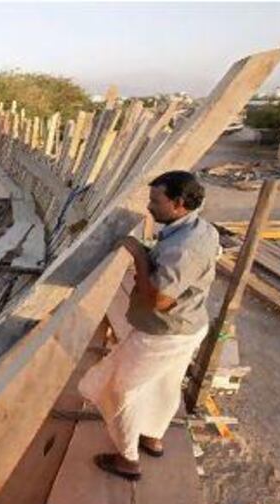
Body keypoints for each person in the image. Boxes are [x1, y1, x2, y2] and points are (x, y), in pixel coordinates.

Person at [78, 170, 220, 480]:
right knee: (165, 384)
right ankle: (152, 437)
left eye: (156, 201)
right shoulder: (200, 228)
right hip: (187, 327)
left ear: (179, 203)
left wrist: (139, 256)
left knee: (119, 389)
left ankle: (128, 459)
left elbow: (160, 301)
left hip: (165, 332)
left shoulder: (186, 246)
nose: (149, 206)